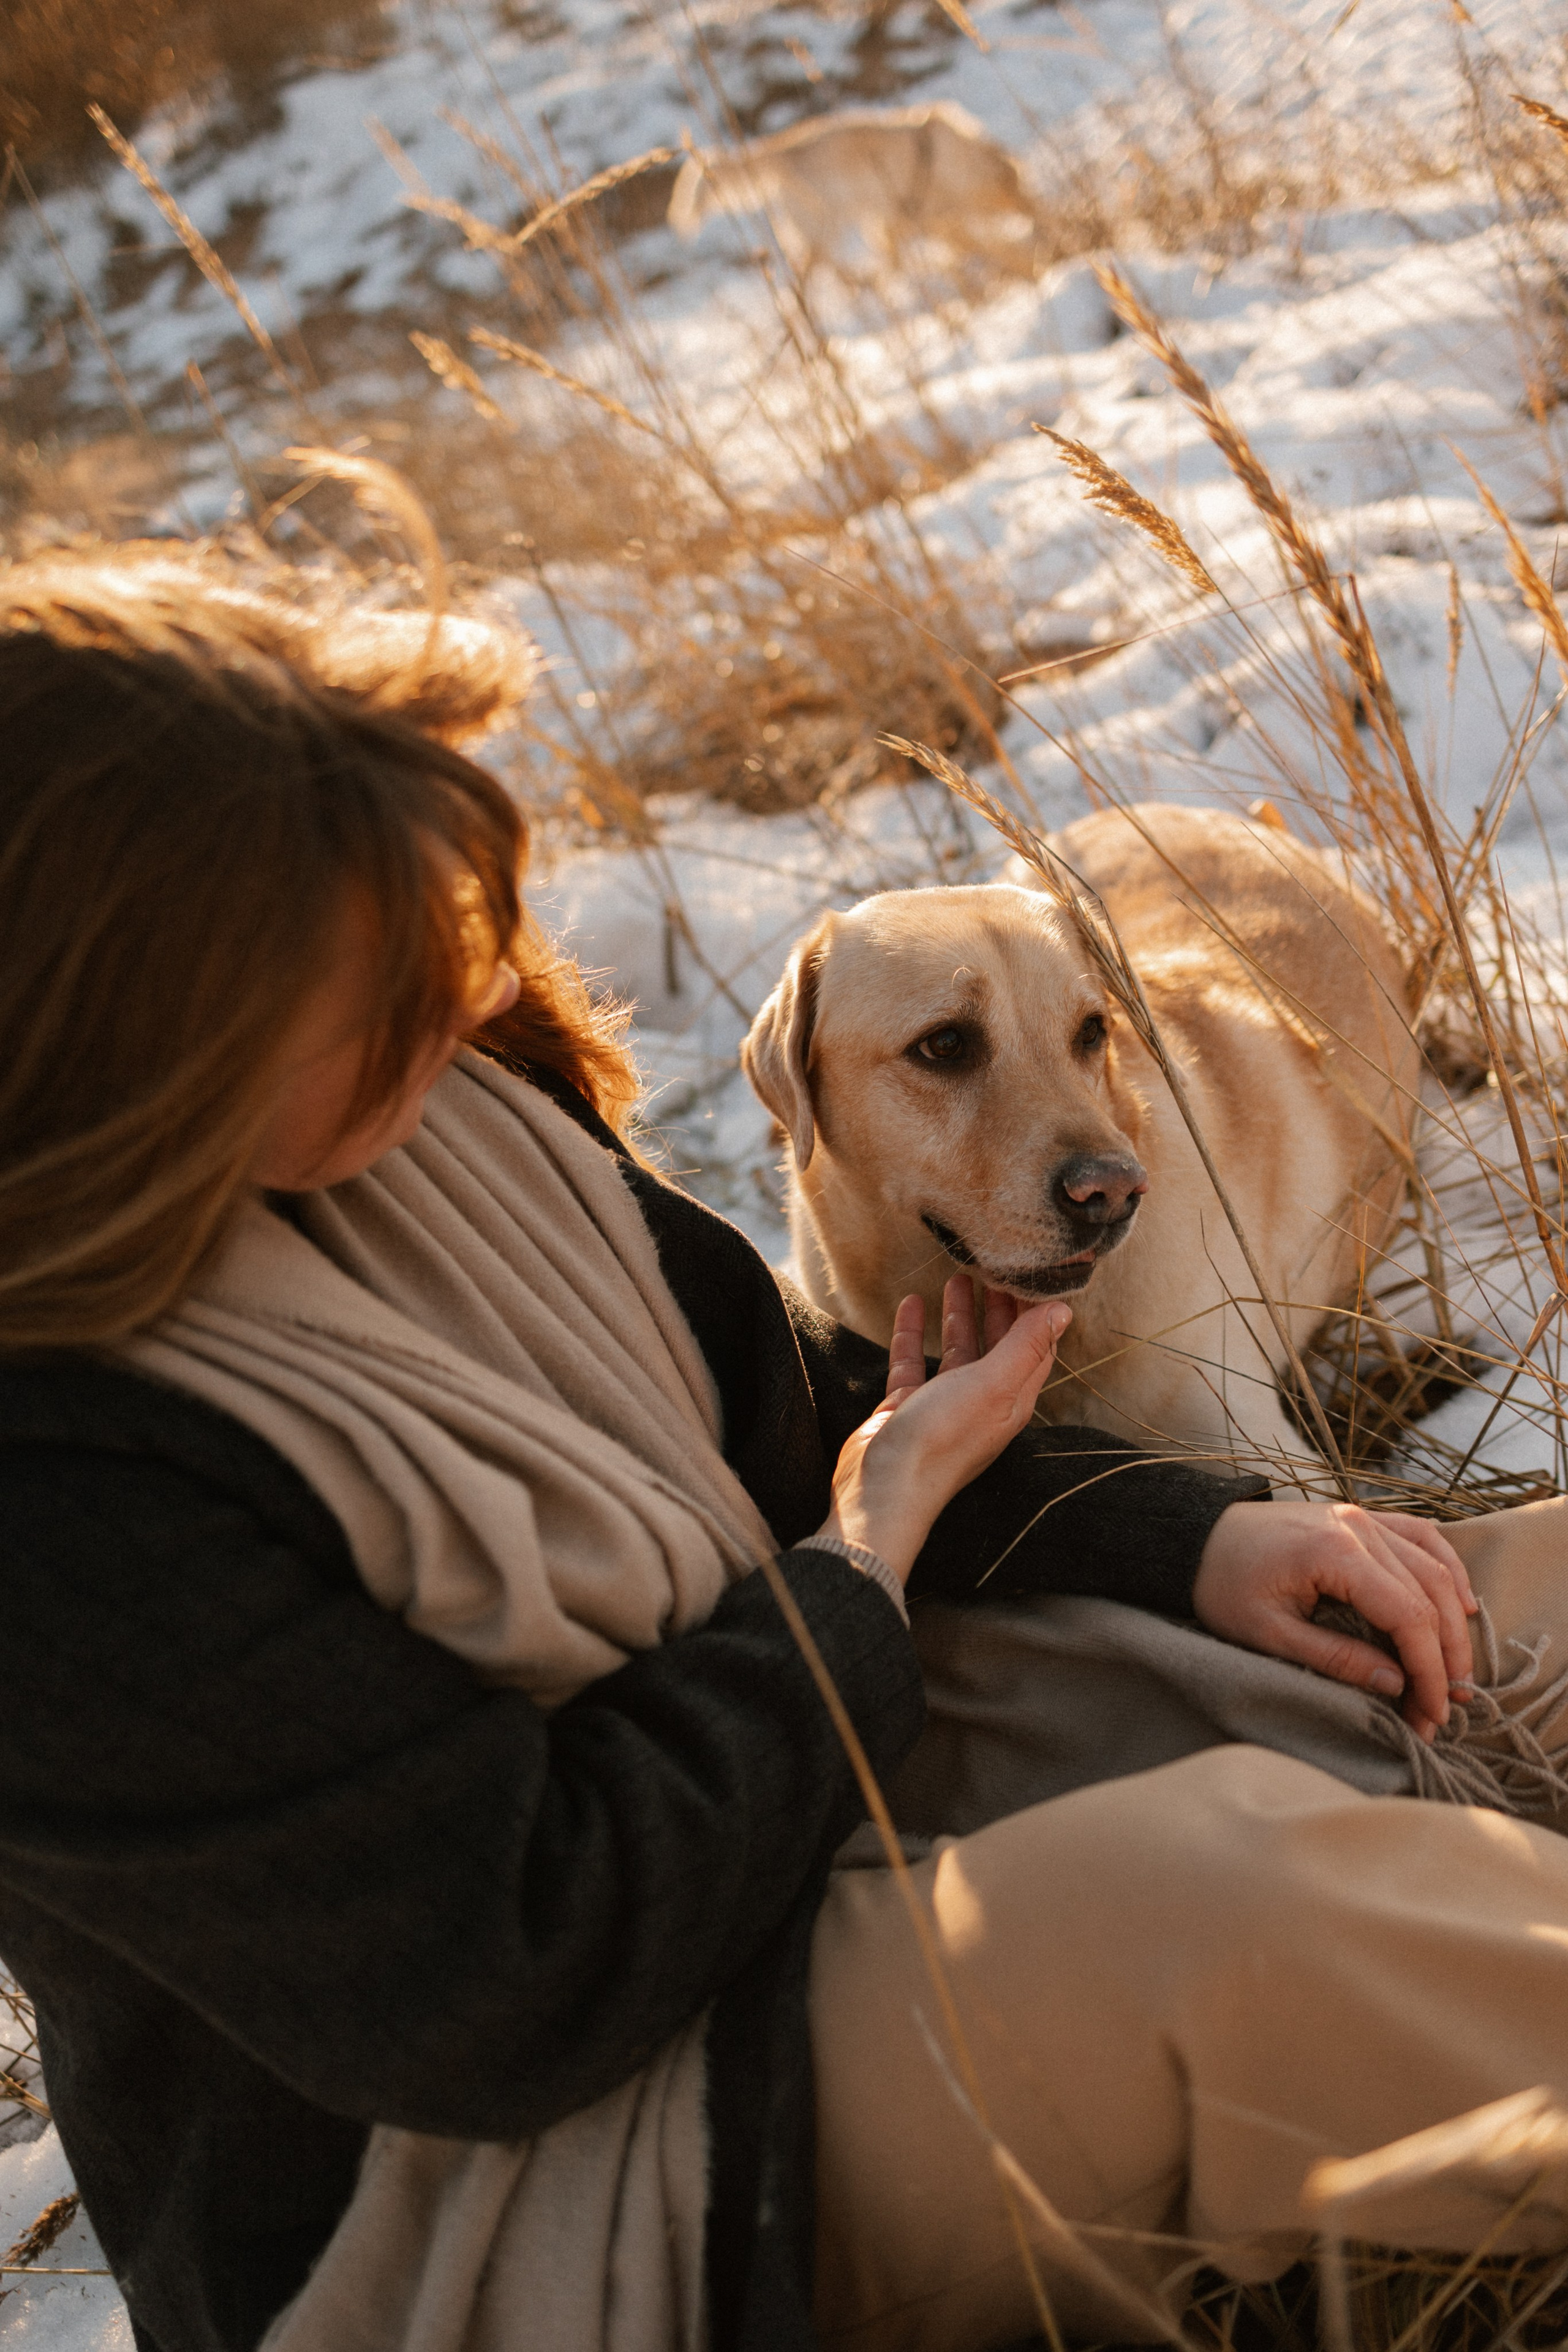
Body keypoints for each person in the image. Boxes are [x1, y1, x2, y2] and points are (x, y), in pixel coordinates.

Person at [3, 540, 1568, 2352]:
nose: (452, 976)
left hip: (782, 1760)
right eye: (359, 956)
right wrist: (858, 1570)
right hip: (548, 2176)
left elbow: (782, 1403)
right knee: (1255, 1904)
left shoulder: (439, 1107)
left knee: (1494, 1598)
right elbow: (515, 1971)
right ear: (126, 1016)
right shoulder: (56, 1497)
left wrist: (1189, 1539)